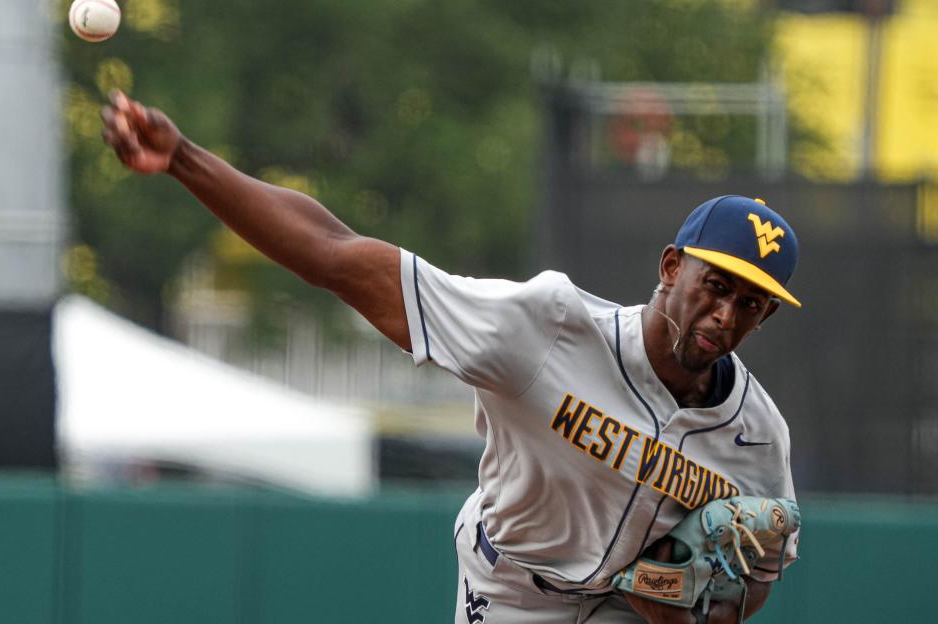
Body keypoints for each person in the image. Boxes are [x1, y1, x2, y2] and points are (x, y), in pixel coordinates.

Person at [101, 90, 800, 624]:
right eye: (716, 287)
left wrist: (684, 593)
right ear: (672, 266)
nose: (725, 315)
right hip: (512, 594)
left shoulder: (757, 434)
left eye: (751, 305)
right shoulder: (546, 327)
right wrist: (185, 160)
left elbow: (751, 577)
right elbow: (336, 256)